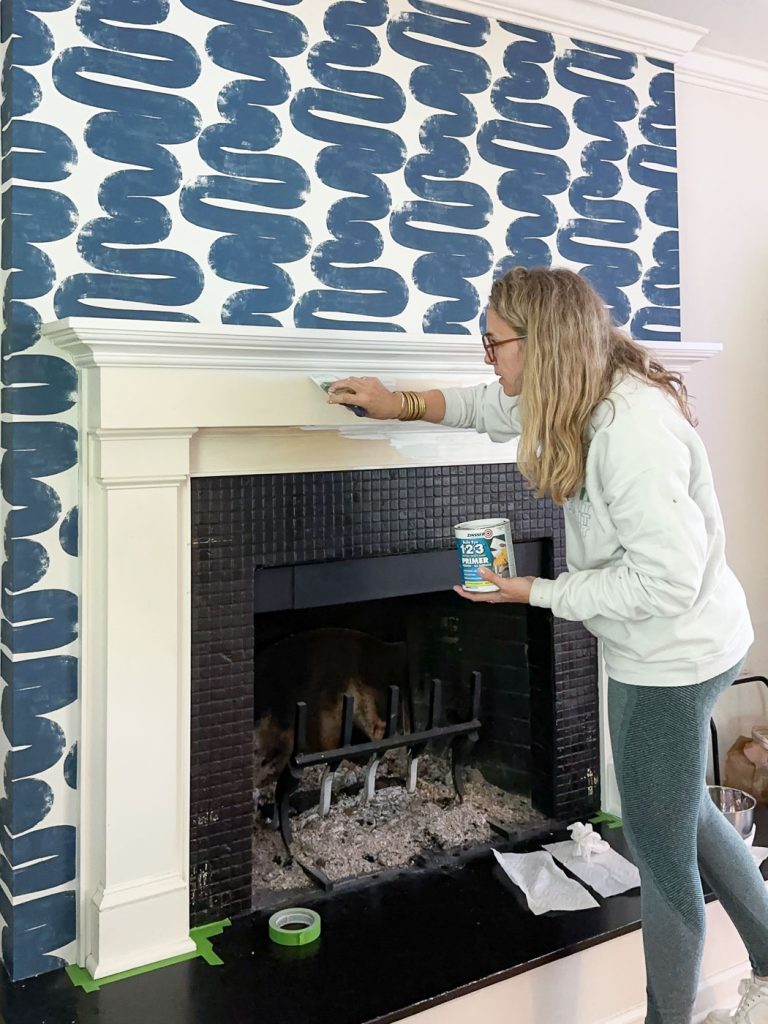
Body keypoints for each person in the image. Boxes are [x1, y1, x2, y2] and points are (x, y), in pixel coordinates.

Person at [327, 266, 766, 1024]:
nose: (486, 357)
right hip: (660, 642)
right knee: (681, 812)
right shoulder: (574, 390)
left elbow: (665, 583)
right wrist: (398, 402)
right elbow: (488, 406)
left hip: (674, 653)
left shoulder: (633, 429)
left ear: (542, 343)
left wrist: (534, 591)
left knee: (659, 860)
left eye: (493, 340)